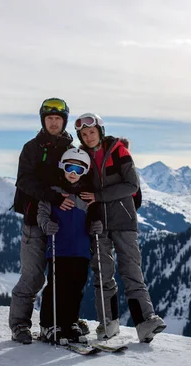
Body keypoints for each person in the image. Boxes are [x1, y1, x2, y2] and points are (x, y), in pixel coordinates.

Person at [75, 112, 167, 343]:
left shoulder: (118, 151)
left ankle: (145, 322)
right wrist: (91, 213)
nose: (88, 137)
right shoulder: (80, 157)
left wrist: (99, 196)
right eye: (84, 134)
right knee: (102, 273)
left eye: (92, 132)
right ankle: (108, 324)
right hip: (99, 224)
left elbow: (131, 185)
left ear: (100, 132)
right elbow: (81, 192)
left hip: (124, 221)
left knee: (132, 272)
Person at [9, 98, 84, 344]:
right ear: (44, 121)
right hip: (34, 220)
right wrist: (51, 196)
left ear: (64, 122)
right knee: (32, 277)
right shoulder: (31, 148)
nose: (54, 122)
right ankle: (20, 325)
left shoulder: (70, 148)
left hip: (62, 224)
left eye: (58, 119)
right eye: (49, 118)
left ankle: (61, 320)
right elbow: (24, 181)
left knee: (62, 276)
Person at [36, 148, 103, 343]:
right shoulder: (54, 192)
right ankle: (48, 324)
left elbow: (92, 220)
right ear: (62, 167)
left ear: (85, 172)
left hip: (81, 249)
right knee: (57, 287)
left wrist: (95, 226)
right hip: (59, 247)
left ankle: (70, 322)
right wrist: (46, 224)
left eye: (79, 169)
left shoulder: (86, 195)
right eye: (69, 167)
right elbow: (42, 213)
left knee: (76, 287)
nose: (73, 173)